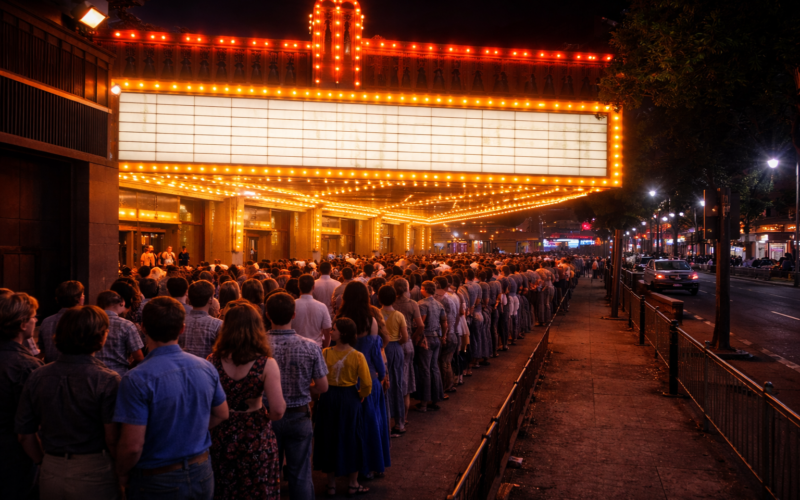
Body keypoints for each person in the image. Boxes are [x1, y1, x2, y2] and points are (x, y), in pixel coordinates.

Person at [114, 297, 229, 499]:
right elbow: (222, 413)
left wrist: (121, 474)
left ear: (143, 328)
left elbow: (132, 445)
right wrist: (192, 428)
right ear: (182, 329)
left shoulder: (136, 379)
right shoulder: (205, 366)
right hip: (201, 469)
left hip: (157, 478)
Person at [16, 306, 121, 499]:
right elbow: (112, 438)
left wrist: (42, 462)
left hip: (51, 468)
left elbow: (24, 434)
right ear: (101, 336)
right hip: (95, 468)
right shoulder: (106, 380)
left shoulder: (38, 376)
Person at [208, 301, 286, 499]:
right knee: (257, 488)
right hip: (255, 433)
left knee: (225, 487)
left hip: (221, 431)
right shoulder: (266, 364)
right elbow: (277, 410)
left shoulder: (213, 361)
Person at [265, 292, 329, 499]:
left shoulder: (258, 347)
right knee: (300, 474)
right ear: (293, 314)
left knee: (268, 473)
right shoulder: (310, 346)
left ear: (268, 315)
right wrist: (305, 388)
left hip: (266, 416)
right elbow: (323, 386)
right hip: (299, 413)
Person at [337, 281, 391, 479]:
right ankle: (369, 465)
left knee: (348, 426)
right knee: (371, 423)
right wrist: (383, 375)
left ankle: (348, 465)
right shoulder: (370, 321)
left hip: (345, 378)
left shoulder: (340, 320)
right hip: (368, 376)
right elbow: (376, 353)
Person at [314, 318, 372, 497]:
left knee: (328, 437)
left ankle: (331, 485)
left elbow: (318, 378)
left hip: (328, 398)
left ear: (343, 334)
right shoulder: (357, 356)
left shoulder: (325, 353)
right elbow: (367, 384)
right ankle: (353, 483)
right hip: (349, 399)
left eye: (334, 330)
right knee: (352, 437)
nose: (331, 332)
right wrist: (360, 396)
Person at [0, 292, 42, 500]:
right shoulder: (27, 366)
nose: (36, 320)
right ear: (23, 324)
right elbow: (29, 427)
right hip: (14, 455)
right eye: (33, 316)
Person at [378, 285, 409, 438]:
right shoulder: (399, 315)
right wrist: (397, 343)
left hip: (381, 350)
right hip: (396, 348)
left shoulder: (377, 314)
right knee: (396, 383)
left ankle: (385, 421)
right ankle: (400, 422)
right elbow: (406, 337)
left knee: (383, 383)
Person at [95, 290, 145, 377]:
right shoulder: (127, 325)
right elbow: (139, 358)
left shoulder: (91, 322)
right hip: (119, 375)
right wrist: (129, 367)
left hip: (94, 374)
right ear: (122, 302)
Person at [415, 280, 447, 412]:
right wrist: (443, 336)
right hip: (436, 338)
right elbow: (444, 323)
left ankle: (423, 403)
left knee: (425, 370)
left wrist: (416, 337)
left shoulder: (422, 304)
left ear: (425, 290)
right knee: (434, 368)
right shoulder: (439, 305)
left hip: (426, 340)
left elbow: (421, 323)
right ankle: (435, 399)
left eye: (422, 288)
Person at [39, 280, 85, 363]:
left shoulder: (46, 322)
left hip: (51, 371)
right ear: (80, 299)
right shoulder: (85, 320)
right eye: (83, 294)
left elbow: (42, 352)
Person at [181, 280, 223, 359]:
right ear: (210, 299)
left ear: (189, 299)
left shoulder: (179, 322)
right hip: (207, 368)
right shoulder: (218, 325)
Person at [294, 275, 332, 348]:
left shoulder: (292, 305)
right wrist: (326, 347)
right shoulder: (322, 306)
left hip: (296, 347)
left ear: (298, 287)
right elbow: (327, 330)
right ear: (313, 287)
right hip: (316, 346)